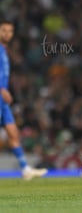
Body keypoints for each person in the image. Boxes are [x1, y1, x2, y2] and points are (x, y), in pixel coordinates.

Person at [0, 20, 48, 180]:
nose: (7, 34)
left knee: (13, 134)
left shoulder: (4, 50)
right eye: (4, 30)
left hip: (3, 100)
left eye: (10, 31)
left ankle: (25, 169)